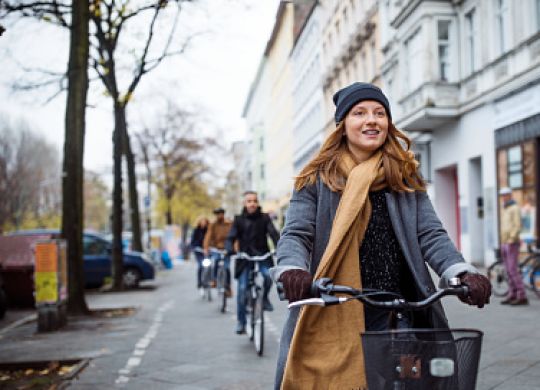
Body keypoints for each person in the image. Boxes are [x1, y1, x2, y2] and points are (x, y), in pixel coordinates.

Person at [270, 82, 492, 390]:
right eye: (359, 113)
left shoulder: (403, 175)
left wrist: (461, 272)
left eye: (379, 113)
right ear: (343, 125)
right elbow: (297, 233)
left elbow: (431, 233)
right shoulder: (316, 180)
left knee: (412, 380)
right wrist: (293, 268)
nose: (371, 120)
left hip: (402, 309)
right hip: (338, 303)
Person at [226, 191, 280, 334]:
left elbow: (273, 234)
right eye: (249, 201)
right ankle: (241, 322)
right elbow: (231, 237)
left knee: (268, 277)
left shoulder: (264, 218)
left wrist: (279, 248)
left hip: (263, 255)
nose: (252, 203)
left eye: (255, 201)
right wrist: (230, 249)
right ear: (244, 203)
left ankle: (265, 298)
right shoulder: (238, 220)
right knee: (242, 289)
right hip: (244, 258)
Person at [499, 187, 528, 305]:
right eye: (502, 195)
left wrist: (512, 238)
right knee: (508, 270)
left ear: (510, 195)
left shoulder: (515, 208)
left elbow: (517, 225)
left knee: (512, 270)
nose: (503, 197)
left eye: (505, 195)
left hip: (512, 242)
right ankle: (512, 293)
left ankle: (522, 295)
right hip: (505, 242)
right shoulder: (505, 208)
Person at [203, 208, 233, 295]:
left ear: (223, 214)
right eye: (217, 214)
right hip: (216, 248)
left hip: (227, 249)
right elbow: (208, 236)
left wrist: (235, 248)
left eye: (221, 214)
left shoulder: (229, 224)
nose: (219, 216)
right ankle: (214, 280)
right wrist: (206, 247)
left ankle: (228, 287)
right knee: (215, 261)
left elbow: (234, 237)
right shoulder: (212, 225)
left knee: (227, 268)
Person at [190, 216, 209, 289]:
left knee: (210, 265)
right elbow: (192, 242)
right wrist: (194, 248)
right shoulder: (196, 230)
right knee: (201, 266)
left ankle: (210, 280)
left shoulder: (208, 230)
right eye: (202, 221)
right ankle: (199, 282)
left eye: (205, 221)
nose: (203, 223)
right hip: (199, 252)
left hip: (207, 251)